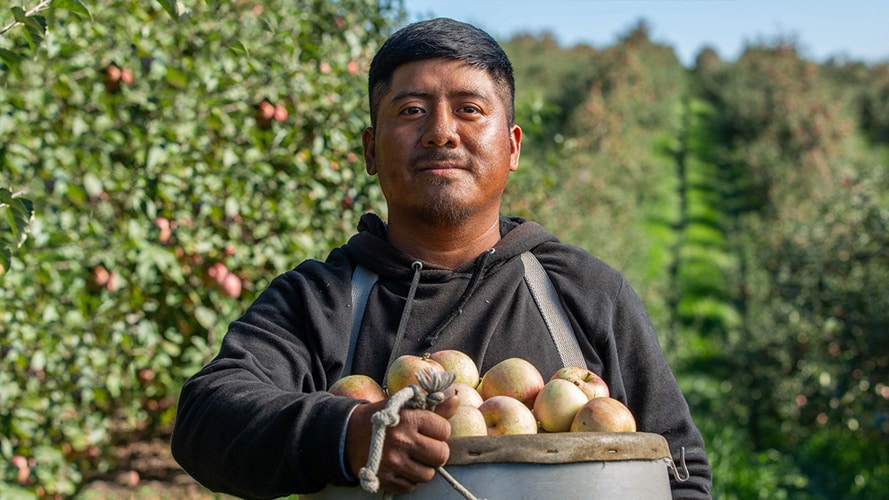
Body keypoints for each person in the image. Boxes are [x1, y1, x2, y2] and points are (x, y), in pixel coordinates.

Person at [171, 17, 712, 499]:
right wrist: (350, 433)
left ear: (513, 146)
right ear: (370, 151)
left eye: (470, 110)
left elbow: (680, 471)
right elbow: (205, 420)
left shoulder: (586, 292)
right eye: (411, 111)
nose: (440, 132)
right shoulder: (318, 300)